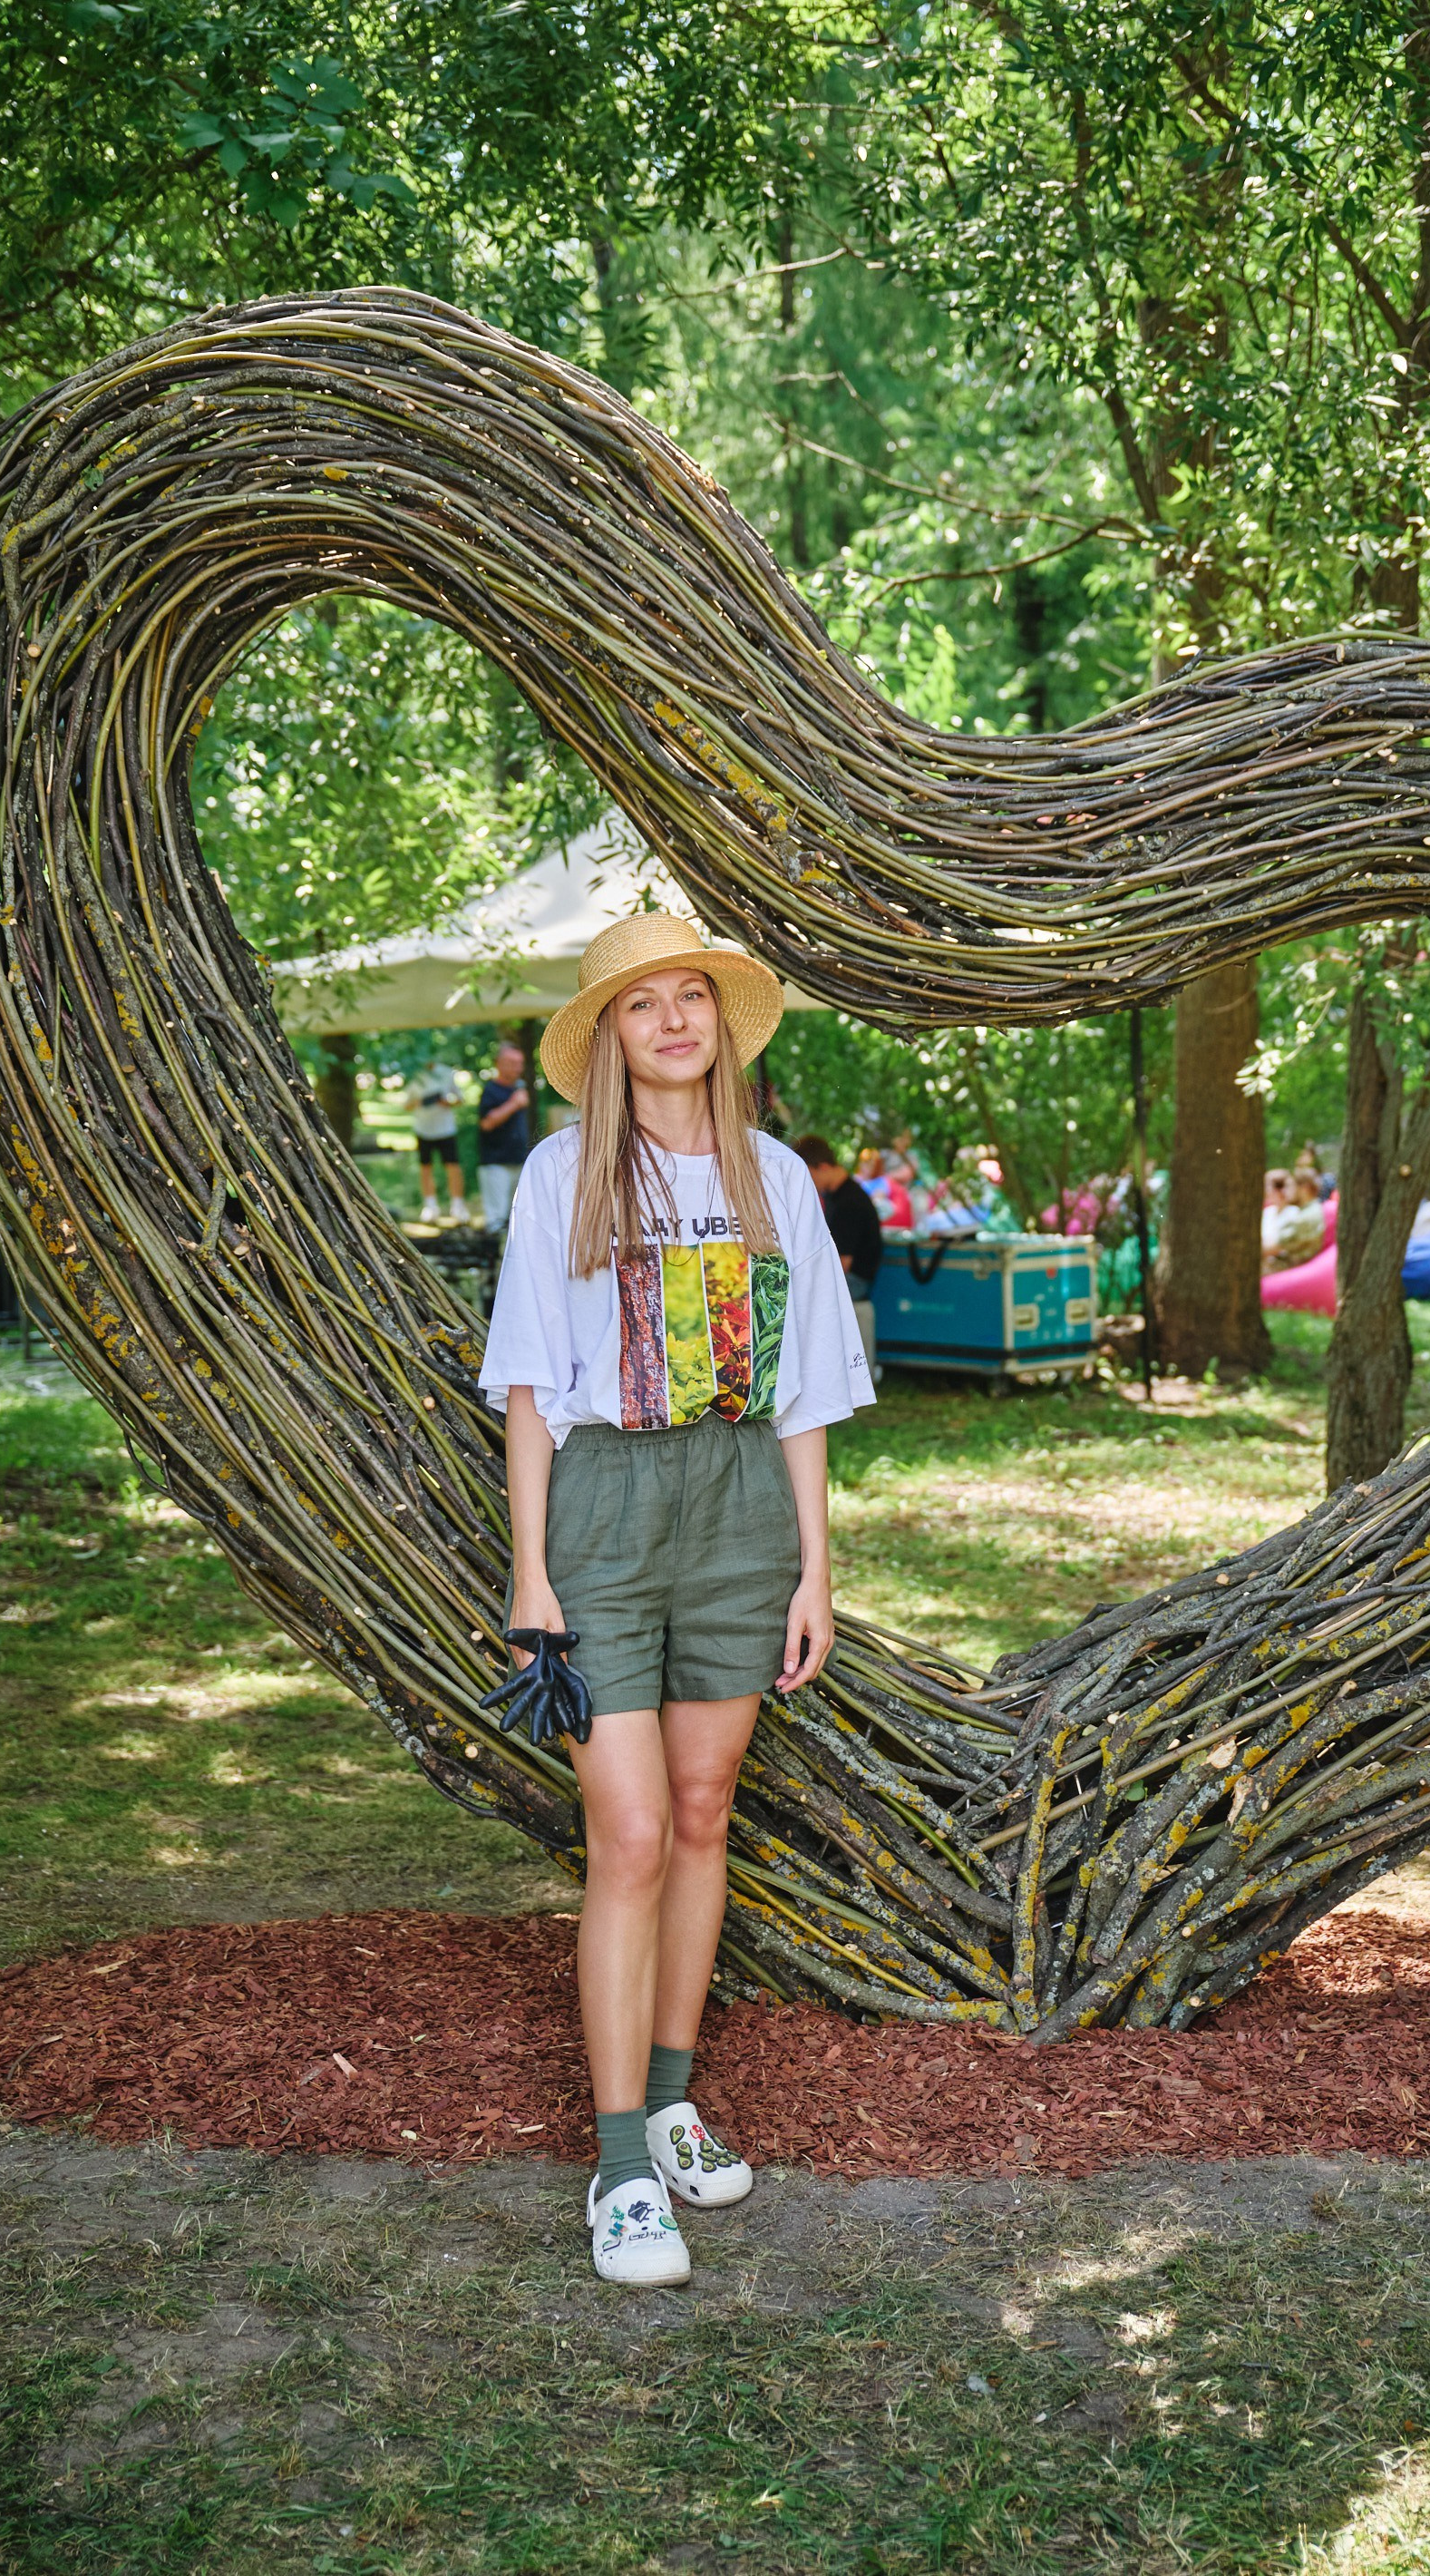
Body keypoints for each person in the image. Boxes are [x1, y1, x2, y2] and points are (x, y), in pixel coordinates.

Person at [478, 912, 874, 2290]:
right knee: (632, 1831)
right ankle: (621, 2165)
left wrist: (814, 1567)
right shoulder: (563, 1175)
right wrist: (533, 1574)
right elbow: (531, 1389)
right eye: (642, 1004)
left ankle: (674, 2096)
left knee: (705, 1814)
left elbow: (809, 1390)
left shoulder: (772, 1177)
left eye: (691, 996)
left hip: (739, 1516)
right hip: (602, 1514)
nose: (672, 1021)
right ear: (610, 1039)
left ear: (722, 1022)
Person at [794, 1136, 884, 1384]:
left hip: (855, 1280)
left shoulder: (849, 1203)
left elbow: (841, 1265)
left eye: (809, 1175)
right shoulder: (837, 1195)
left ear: (822, 1168)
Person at [477, 1039, 532, 1233]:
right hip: (496, 1163)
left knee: (517, 1218)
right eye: (512, 1063)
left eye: (520, 1063)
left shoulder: (518, 1088)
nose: (517, 1068)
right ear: (499, 1063)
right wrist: (514, 1105)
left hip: (518, 1161)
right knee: (497, 1219)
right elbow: (486, 1123)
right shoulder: (491, 1090)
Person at [404, 1059, 466, 1225]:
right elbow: (406, 1105)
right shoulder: (414, 1075)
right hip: (424, 1130)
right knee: (426, 1167)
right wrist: (418, 1102)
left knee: (453, 1166)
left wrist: (447, 1102)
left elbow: (460, 1099)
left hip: (445, 1130)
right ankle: (430, 1206)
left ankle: (458, 1206)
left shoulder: (446, 1072)